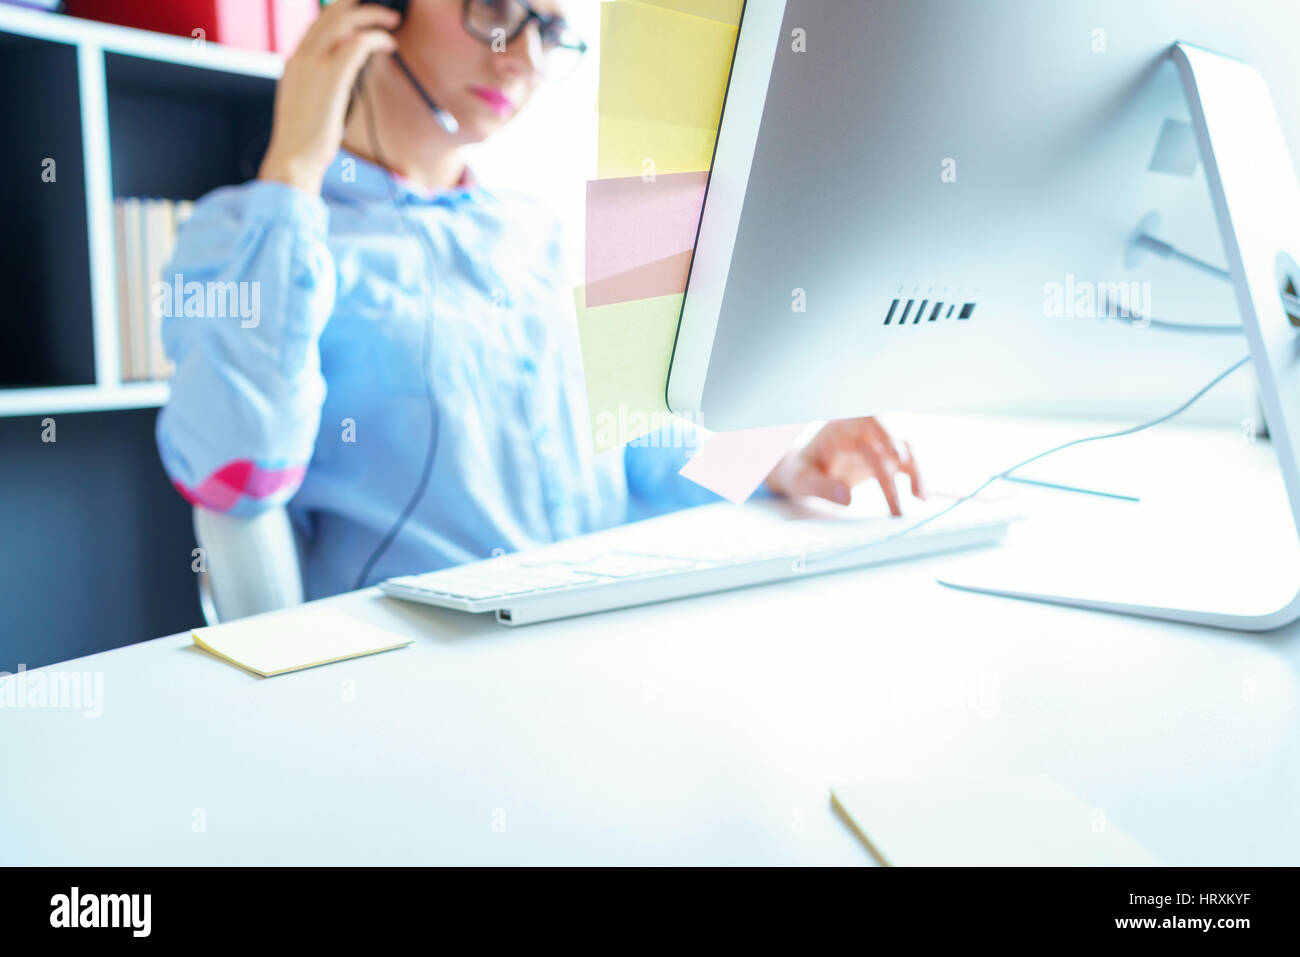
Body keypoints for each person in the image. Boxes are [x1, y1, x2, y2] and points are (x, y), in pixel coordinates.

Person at [156, 0, 926, 601]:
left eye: (551, 30)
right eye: (492, 8)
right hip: (422, 682)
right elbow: (237, 471)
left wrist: (779, 460)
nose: (521, 53)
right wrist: (293, 166)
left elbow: (634, 455)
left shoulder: (536, 231)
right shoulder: (249, 232)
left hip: (593, 625)